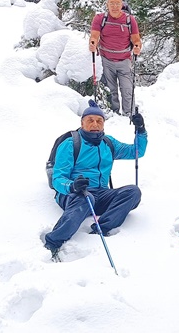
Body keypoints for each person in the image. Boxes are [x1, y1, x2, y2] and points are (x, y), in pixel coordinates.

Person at [43, 100, 147, 261]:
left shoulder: (108, 143)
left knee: (133, 191)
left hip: (101, 193)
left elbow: (136, 152)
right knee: (86, 198)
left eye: (99, 121)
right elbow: (58, 179)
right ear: (82, 123)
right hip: (74, 195)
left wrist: (140, 130)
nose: (95, 124)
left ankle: (102, 228)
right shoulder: (71, 144)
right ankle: (53, 242)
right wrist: (72, 186)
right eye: (90, 120)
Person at [88, 0, 142, 116]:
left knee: (127, 89)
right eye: (112, 3)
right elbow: (94, 35)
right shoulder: (100, 18)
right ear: (107, 4)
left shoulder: (129, 20)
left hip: (124, 60)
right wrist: (93, 43)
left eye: (117, 3)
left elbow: (136, 39)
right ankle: (114, 114)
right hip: (106, 60)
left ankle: (129, 114)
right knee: (111, 90)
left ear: (122, 4)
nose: (115, 6)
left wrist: (137, 47)